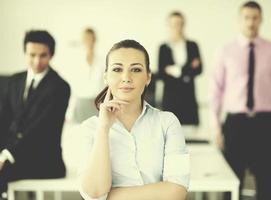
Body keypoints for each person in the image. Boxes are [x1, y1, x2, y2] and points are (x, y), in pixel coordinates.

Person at [78, 40, 190, 200]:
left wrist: (109, 196)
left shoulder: (168, 123)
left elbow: (177, 191)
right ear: (106, 77)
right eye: (117, 69)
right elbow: (94, 192)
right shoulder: (90, 128)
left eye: (136, 69)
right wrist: (103, 129)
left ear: (148, 77)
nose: (126, 78)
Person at [211, 1, 271, 200]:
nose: (251, 22)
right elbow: (215, 90)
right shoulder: (225, 50)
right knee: (232, 182)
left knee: (265, 181)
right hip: (235, 123)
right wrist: (215, 127)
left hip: (266, 122)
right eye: (246, 17)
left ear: (261, 20)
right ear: (240, 20)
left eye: (255, 18)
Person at [0, 30, 70, 199]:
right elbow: (4, 119)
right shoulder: (14, 80)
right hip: (12, 154)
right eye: (32, 55)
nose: (37, 61)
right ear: (25, 53)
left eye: (43, 55)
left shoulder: (60, 87)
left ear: (51, 54)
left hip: (44, 161)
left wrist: (5, 156)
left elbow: (40, 130)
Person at [158, 11, 203, 126]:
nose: (177, 27)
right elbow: (161, 73)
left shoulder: (193, 45)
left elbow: (199, 69)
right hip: (170, 99)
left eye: (179, 24)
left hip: (189, 99)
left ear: (184, 25)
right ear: (168, 26)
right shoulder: (163, 48)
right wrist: (187, 69)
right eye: (173, 24)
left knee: (190, 136)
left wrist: (174, 70)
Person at [66, 28, 104, 124]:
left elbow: (105, 86)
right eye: (85, 39)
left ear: (94, 40)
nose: (88, 42)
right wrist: (69, 112)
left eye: (90, 38)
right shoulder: (75, 62)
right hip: (80, 105)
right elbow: (72, 88)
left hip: (97, 105)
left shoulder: (102, 62)